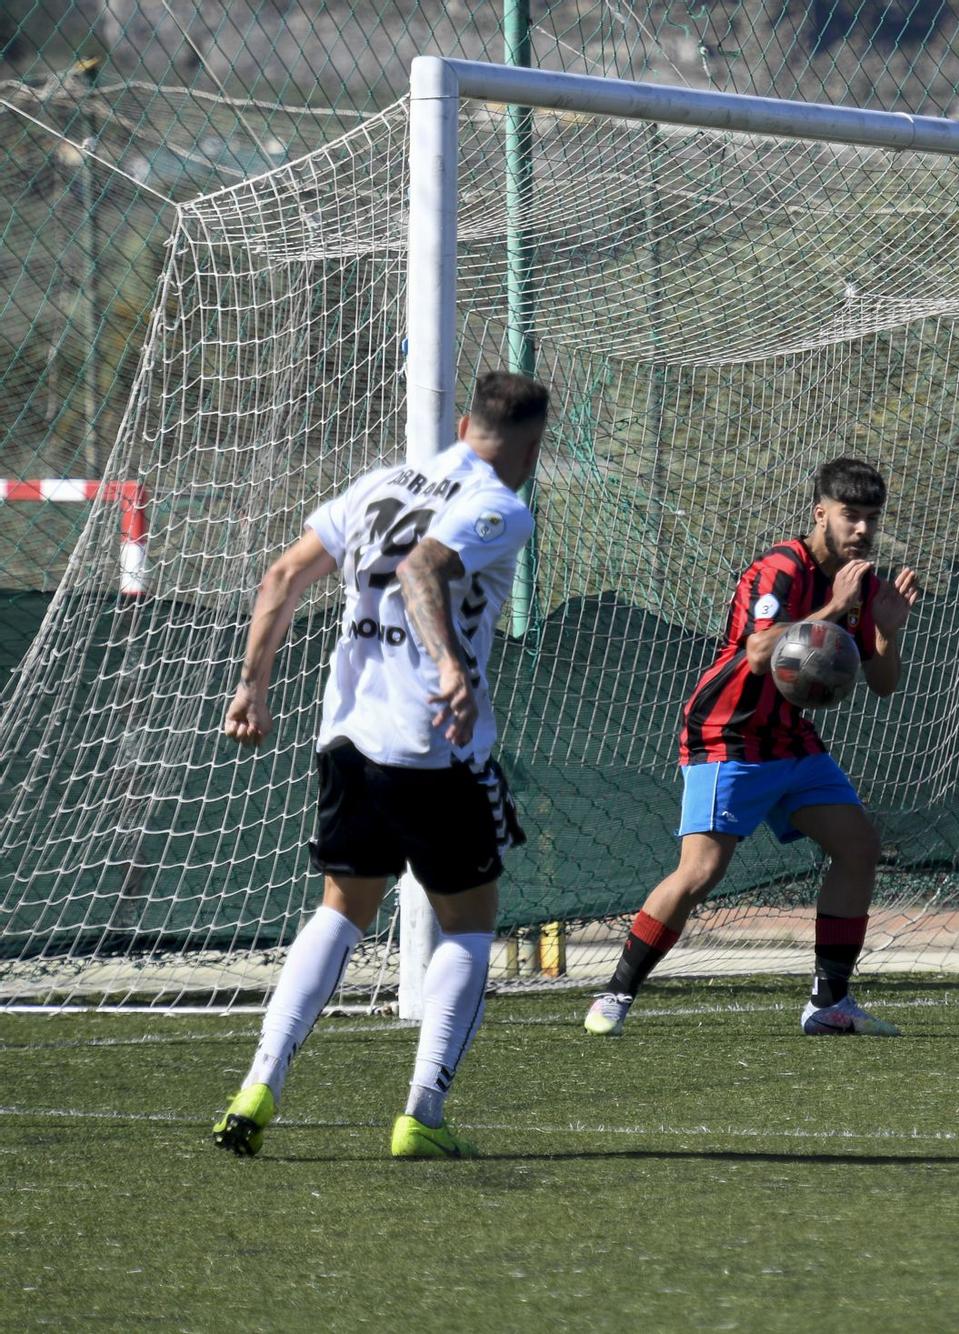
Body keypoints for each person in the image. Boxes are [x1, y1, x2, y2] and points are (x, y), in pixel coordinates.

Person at [210, 370, 546, 1158]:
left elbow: (282, 576)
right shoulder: (501, 504)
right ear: (528, 446)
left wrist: (251, 687)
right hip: (433, 745)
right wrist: (451, 667)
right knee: (469, 923)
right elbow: (423, 569)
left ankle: (259, 1084)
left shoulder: (378, 483)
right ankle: (422, 1114)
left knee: (341, 909)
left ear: (464, 423)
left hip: (348, 738)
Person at [583, 457, 920, 1038]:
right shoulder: (778, 569)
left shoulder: (862, 583)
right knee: (700, 872)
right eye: (850, 516)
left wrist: (888, 633)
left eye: (872, 518)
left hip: (791, 741)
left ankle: (828, 1003)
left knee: (859, 846)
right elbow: (761, 652)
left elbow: (884, 685)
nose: (862, 530)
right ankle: (616, 992)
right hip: (729, 736)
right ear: (821, 513)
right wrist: (834, 609)